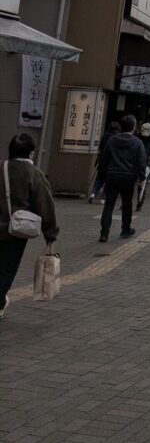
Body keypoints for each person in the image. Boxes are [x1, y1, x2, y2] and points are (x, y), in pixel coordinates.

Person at [0, 134, 59, 320]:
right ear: (31, 153)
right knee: (7, 268)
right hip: (15, 232)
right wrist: (50, 235)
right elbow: (45, 205)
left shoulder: (1, 167)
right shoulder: (34, 174)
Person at [97, 114, 146, 242]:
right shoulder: (137, 143)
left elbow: (104, 159)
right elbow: (141, 162)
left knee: (109, 204)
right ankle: (126, 229)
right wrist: (142, 178)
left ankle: (104, 234)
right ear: (134, 127)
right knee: (127, 203)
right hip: (129, 176)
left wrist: (102, 176)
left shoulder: (112, 140)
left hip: (112, 175)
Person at [89, 120, 120, 203]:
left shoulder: (105, 136)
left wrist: (98, 159)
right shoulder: (118, 137)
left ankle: (93, 193)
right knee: (108, 182)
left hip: (103, 161)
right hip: (112, 163)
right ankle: (103, 198)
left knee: (99, 179)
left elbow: (100, 149)